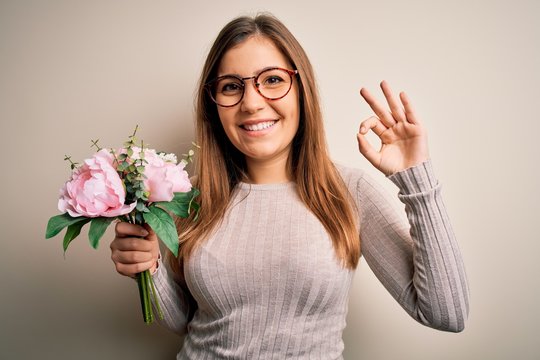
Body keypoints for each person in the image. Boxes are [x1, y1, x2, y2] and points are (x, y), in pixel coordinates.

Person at [110, 13, 469, 359]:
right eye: (232, 86)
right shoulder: (187, 197)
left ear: (302, 89)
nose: (251, 103)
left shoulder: (350, 192)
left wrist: (417, 180)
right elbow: (187, 322)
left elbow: (445, 315)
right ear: (213, 104)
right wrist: (151, 268)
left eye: (272, 80)